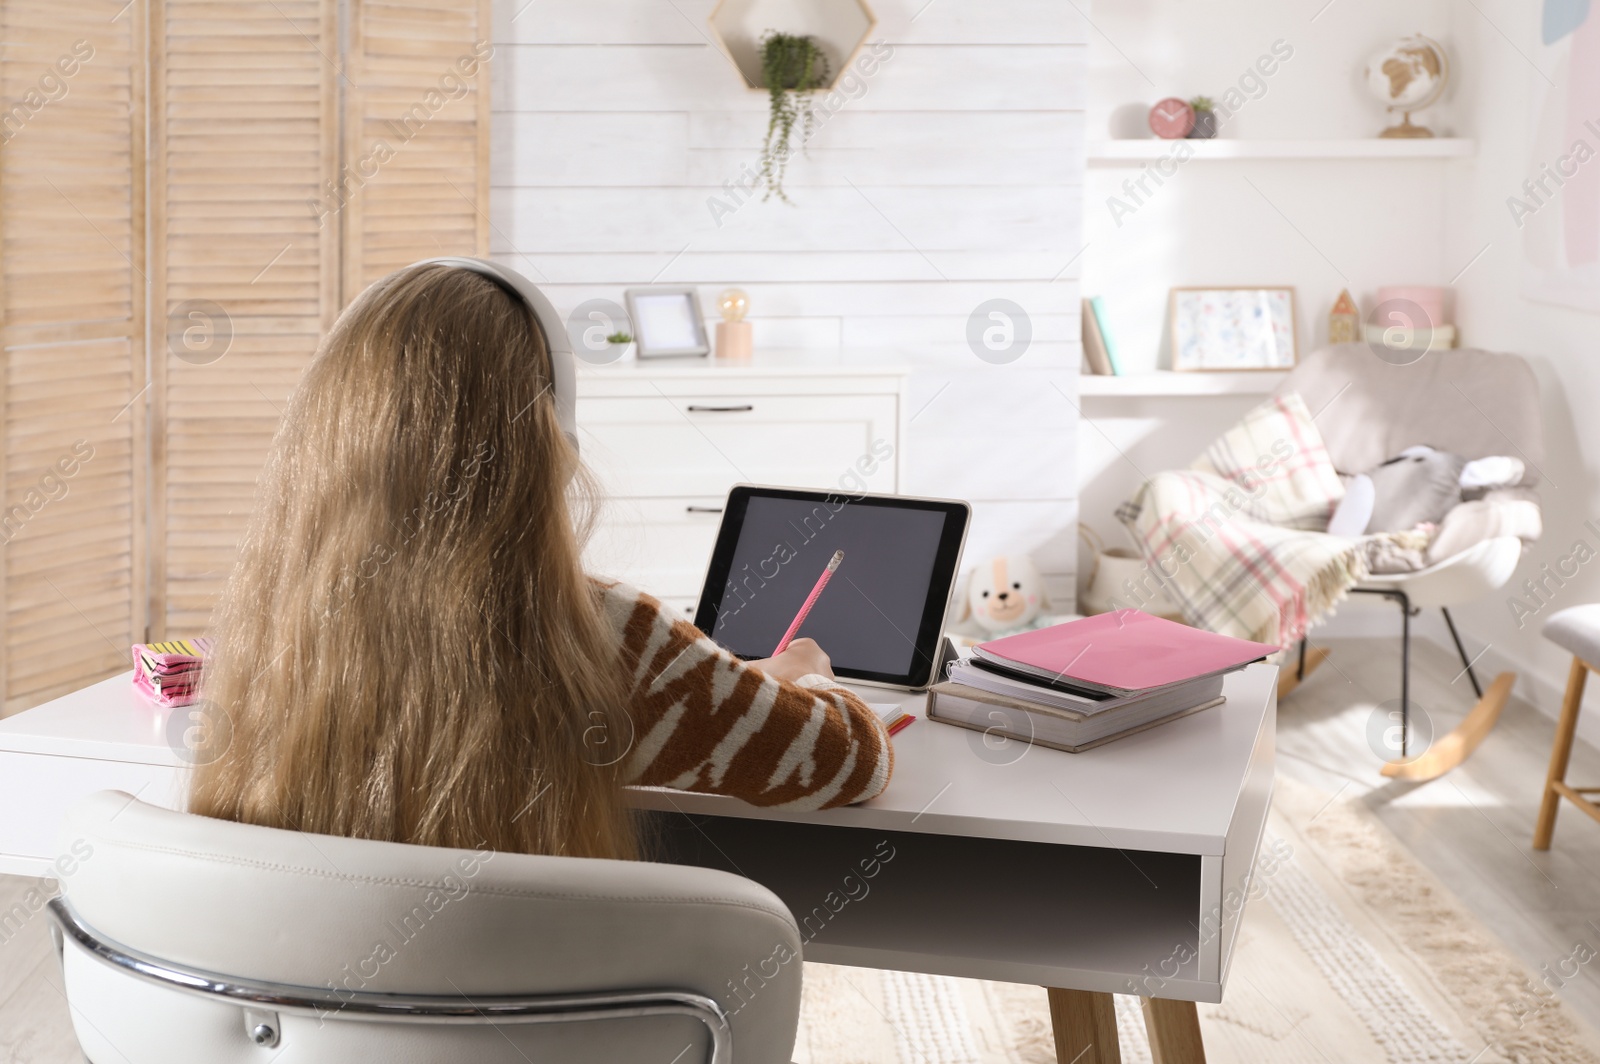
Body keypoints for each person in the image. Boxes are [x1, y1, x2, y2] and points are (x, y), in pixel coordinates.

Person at [187, 263, 893, 862]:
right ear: (553, 439)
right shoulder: (611, 639)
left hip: (310, 1017)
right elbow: (852, 761)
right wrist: (812, 681)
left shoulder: (270, 632)